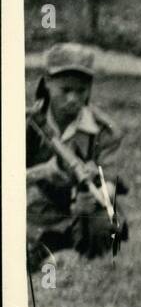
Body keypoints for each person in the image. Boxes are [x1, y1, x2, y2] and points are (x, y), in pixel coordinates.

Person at [27, 43, 128, 272]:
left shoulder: (105, 131)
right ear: (47, 82)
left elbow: (110, 184)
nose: (73, 99)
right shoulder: (26, 124)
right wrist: (45, 171)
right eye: (65, 90)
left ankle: (57, 251)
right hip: (31, 207)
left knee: (106, 227)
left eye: (81, 91)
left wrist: (95, 187)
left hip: (78, 210)